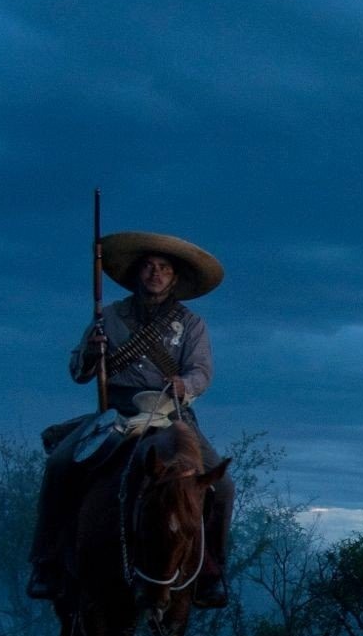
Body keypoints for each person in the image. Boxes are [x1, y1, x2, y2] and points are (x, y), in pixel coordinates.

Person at [28, 232, 234, 608]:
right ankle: (46, 561)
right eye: (149, 267)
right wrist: (92, 352)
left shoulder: (191, 324)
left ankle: (211, 571)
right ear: (138, 273)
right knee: (59, 466)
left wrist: (184, 384)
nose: (155, 274)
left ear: (175, 278)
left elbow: (202, 371)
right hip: (117, 412)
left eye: (164, 269)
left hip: (171, 413)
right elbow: (78, 371)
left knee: (223, 487)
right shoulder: (108, 317)